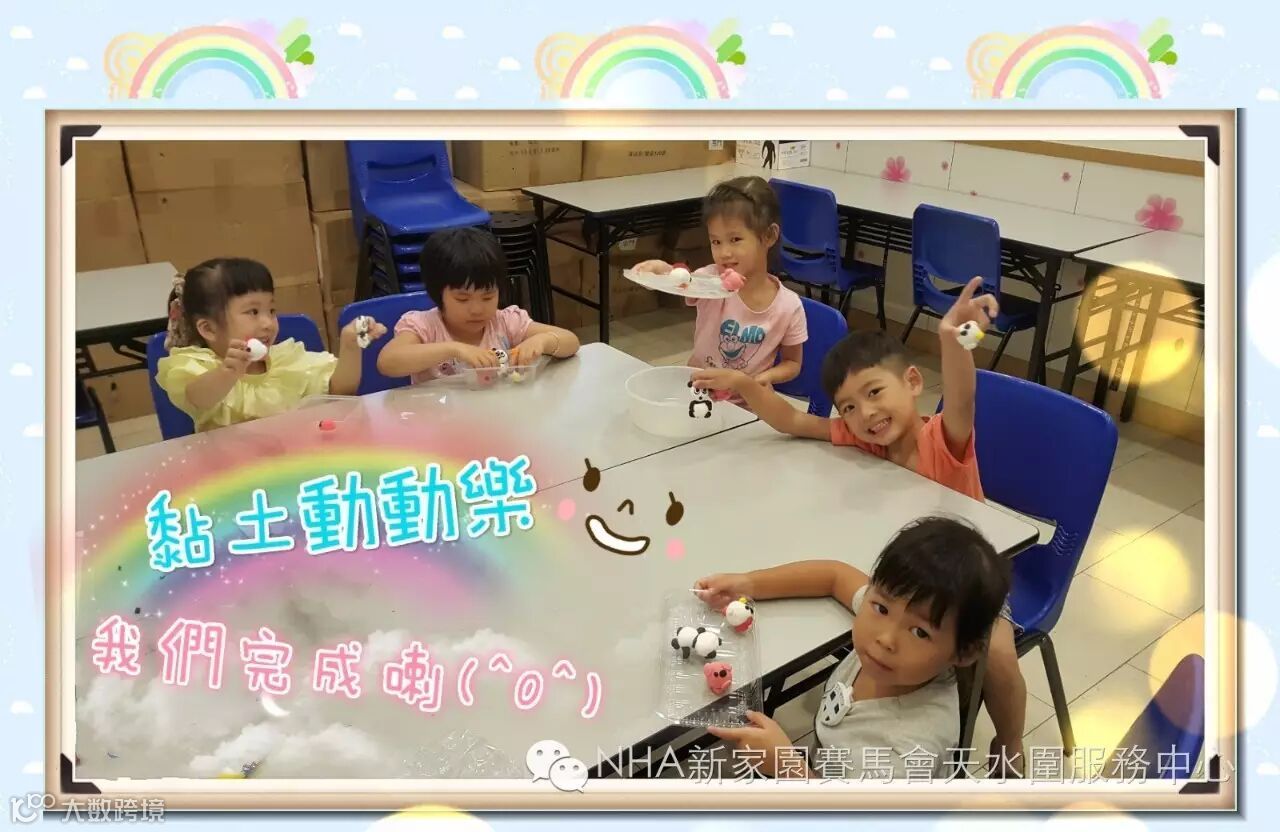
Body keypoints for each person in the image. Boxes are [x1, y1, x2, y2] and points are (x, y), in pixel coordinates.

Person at [694, 276, 1029, 772]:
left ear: (912, 383)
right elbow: (793, 422)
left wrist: (954, 340)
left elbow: (962, 400)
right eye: (848, 407)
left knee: (998, 652)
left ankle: (1011, 742)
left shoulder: (943, 441)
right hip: (904, 571)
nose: (866, 414)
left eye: (875, 393)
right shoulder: (865, 439)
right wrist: (744, 384)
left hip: (967, 577)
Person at [696, 516, 1010, 780]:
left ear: (964, 653)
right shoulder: (892, 626)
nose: (885, 638)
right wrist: (748, 584)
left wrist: (789, 769)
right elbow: (834, 575)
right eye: (882, 607)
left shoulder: (907, 750)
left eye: (920, 632)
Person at [156, 257, 385, 432]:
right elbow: (198, 398)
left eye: (271, 310)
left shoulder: (287, 360)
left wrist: (350, 345)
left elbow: (340, 391)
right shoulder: (197, 366)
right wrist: (227, 372)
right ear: (209, 329)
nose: (268, 323)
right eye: (253, 312)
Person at [635, 176, 807, 404]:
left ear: (769, 236)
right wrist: (661, 270)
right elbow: (681, 280)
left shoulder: (789, 306)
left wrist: (763, 378)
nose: (724, 253)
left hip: (749, 406)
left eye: (735, 239)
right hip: (698, 395)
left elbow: (792, 363)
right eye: (716, 242)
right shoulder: (711, 281)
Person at [378, 226, 579, 383]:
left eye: (488, 297)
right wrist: (454, 349)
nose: (477, 310)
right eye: (462, 299)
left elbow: (571, 341)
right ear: (438, 294)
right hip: (440, 419)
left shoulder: (505, 322)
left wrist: (543, 341)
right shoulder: (424, 327)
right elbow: (387, 362)